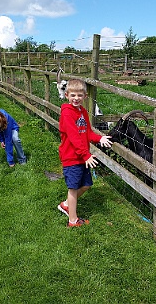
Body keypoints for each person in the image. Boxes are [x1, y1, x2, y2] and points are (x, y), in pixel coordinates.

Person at [57, 79, 112, 227]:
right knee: (73, 188)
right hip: (72, 156)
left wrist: (99, 138)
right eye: (73, 95)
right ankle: (73, 220)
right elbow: (74, 137)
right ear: (67, 95)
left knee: (86, 185)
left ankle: (66, 205)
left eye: (79, 95)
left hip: (82, 157)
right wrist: (86, 155)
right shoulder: (67, 114)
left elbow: (87, 133)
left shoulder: (82, 112)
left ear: (85, 96)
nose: (76, 98)